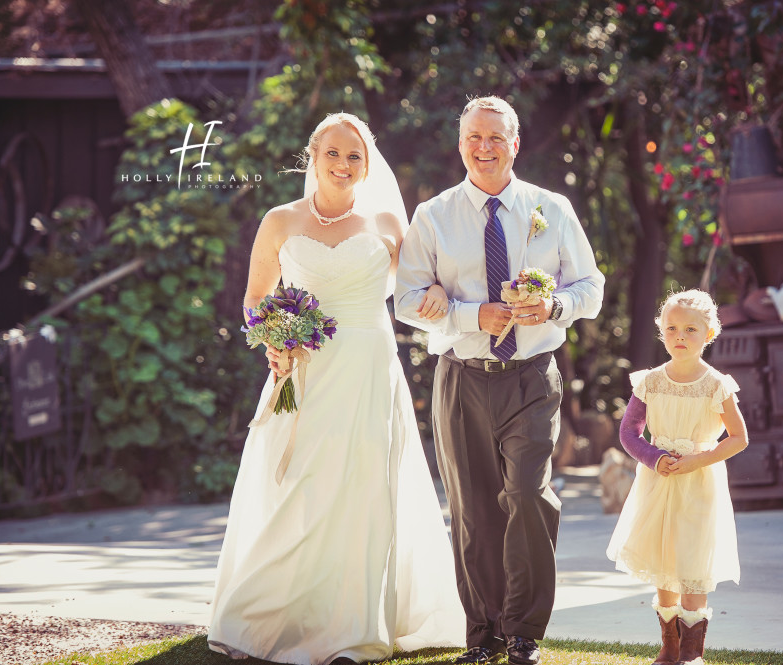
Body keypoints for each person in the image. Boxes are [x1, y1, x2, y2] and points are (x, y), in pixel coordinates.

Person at [207, 112, 464, 664]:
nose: (344, 165)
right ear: (313, 155)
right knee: (296, 486)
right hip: (302, 372)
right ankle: (271, 616)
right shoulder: (279, 221)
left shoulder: (390, 225)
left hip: (369, 368)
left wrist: (443, 298)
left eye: (355, 156)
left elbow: (423, 288)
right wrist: (272, 340)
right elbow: (255, 300)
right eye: (333, 153)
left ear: (367, 164)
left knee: (363, 487)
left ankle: (354, 628)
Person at [395, 96, 605, 665]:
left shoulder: (551, 208)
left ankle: (523, 631)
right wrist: (471, 316)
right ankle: (483, 636)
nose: (484, 148)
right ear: (460, 144)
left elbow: (591, 287)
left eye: (495, 137)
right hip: (462, 380)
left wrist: (555, 306)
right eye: (473, 138)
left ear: (516, 143)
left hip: (532, 377)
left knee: (528, 495)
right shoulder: (432, 216)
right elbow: (407, 300)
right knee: (473, 509)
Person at [606, 288, 748, 665]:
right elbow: (629, 432)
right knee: (664, 559)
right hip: (659, 483)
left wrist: (697, 460)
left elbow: (739, 438)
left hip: (699, 485)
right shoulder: (650, 381)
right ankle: (668, 648)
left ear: (709, 334)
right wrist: (654, 457)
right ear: (661, 332)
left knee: (693, 561)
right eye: (671, 329)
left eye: (690, 330)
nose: (680, 337)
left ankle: (690, 653)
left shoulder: (716, 384)